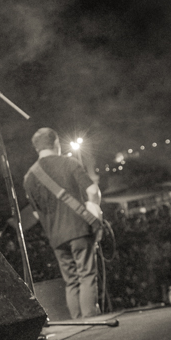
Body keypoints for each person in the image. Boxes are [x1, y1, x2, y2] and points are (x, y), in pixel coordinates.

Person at [23, 127, 102, 319]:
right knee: (86, 275)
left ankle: (78, 324)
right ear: (56, 143)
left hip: (56, 237)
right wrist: (94, 209)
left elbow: (36, 213)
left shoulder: (29, 177)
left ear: (36, 148)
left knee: (71, 281)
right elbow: (92, 191)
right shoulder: (69, 163)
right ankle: (91, 318)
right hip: (79, 229)